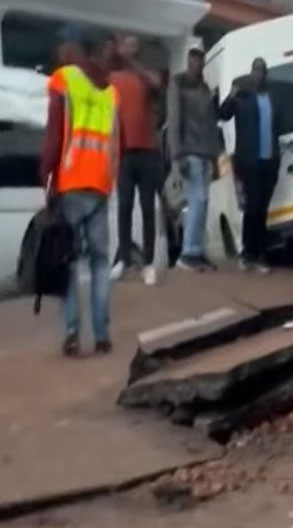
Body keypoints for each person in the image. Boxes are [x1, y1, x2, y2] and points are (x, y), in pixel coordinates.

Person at [40, 27, 119, 356]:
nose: (59, 52)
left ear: (74, 48)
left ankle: (73, 331)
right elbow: (116, 141)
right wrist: (110, 180)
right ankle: (102, 335)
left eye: (62, 45)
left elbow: (54, 133)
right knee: (101, 262)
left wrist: (47, 177)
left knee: (69, 261)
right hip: (100, 184)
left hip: (71, 182)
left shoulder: (64, 79)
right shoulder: (110, 91)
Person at [219, 57, 282, 273]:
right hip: (249, 162)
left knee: (262, 209)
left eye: (262, 71)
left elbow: (279, 124)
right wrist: (231, 95)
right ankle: (249, 253)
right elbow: (223, 114)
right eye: (255, 70)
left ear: (266, 74)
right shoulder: (242, 97)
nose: (258, 75)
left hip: (269, 161)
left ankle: (258, 254)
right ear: (251, 73)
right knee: (252, 207)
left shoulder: (272, 97)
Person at [109, 35, 162, 285]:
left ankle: (148, 264)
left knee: (148, 208)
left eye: (133, 44)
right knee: (125, 207)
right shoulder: (113, 78)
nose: (129, 48)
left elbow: (156, 83)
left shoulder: (146, 75)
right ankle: (124, 260)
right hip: (125, 153)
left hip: (148, 152)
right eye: (125, 44)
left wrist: (134, 64)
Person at [166, 47, 220, 272]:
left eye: (200, 62)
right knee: (196, 202)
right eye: (193, 62)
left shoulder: (205, 87)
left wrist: (215, 156)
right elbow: (174, 119)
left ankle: (195, 250)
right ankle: (188, 252)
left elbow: (210, 124)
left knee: (203, 203)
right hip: (189, 152)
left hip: (206, 152)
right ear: (189, 62)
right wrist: (177, 155)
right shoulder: (178, 84)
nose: (197, 65)